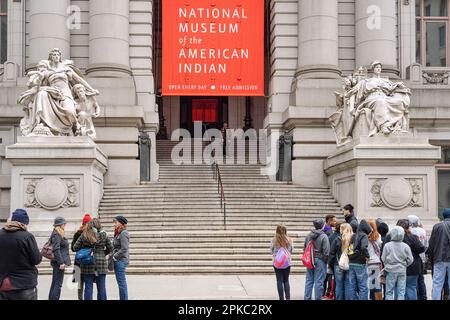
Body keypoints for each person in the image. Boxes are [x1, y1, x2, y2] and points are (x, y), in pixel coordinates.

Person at [0, 209, 42, 300]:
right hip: (24, 285)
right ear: (24, 223)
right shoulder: (27, 236)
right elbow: (36, 260)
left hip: (3, 284)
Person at [73, 218, 113, 300]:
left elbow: (75, 247)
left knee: (88, 288)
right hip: (101, 264)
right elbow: (111, 248)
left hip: (87, 263)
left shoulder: (84, 234)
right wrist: (102, 253)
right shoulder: (104, 235)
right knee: (101, 288)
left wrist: (85, 251)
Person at [381, 226, 413, 300]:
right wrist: (405, 265)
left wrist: (387, 264)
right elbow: (411, 259)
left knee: (389, 291)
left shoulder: (387, 245)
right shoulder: (405, 246)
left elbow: (383, 258)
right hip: (402, 270)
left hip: (390, 270)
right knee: (401, 291)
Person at [396, 219, 425, 300]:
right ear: (408, 228)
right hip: (413, 266)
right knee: (411, 287)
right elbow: (421, 248)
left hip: (398, 266)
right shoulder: (412, 237)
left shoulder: (393, 238)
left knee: (399, 289)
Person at [426, 208, 450, 300]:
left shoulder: (437, 226)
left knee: (437, 284)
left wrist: (431, 259)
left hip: (439, 259)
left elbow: (431, 244)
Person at [304, 219, 330, 300]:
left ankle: (307, 298)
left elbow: (305, 248)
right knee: (319, 282)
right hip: (320, 260)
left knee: (309, 280)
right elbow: (326, 252)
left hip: (310, 259)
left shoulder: (309, 235)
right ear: (322, 226)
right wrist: (325, 261)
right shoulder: (324, 236)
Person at [348, 219, 371, 300]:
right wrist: (367, 256)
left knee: (352, 286)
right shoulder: (364, 236)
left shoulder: (353, 235)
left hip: (351, 262)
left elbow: (349, 248)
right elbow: (363, 247)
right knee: (363, 286)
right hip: (360, 263)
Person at [49, 217, 71, 300]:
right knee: (58, 284)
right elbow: (56, 249)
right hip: (58, 263)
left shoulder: (58, 233)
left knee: (55, 282)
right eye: (64, 224)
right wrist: (61, 262)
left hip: (58, 262)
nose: (65, 225)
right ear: (60, 225)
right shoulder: (56, 234)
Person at [329, 223, 353, 300]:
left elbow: (332, 253)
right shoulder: (352, 239)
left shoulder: (337, 239)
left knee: (339, 286)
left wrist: (331, 264)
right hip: (349, 265)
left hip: (338, 264)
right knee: (347, 285)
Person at [71, 213, 92, 300]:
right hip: (85, 260)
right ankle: (82, 298)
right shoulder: (82, 234)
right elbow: (73, 248)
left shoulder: (79, 233)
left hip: (80, 260)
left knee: (82, 281)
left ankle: (82, 298)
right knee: (84, 281)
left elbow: (73, 248)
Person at [408, 215, 428, 300]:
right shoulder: (423, 231)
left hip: (413, 258)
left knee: (414, 280)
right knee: (421, 279)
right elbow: (426, 245)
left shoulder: (411, 232)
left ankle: (416, 296)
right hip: (422, 258)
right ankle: (423, 296)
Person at [270, 225, 293, 300]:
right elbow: (291, 250)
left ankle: (281, 298)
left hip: (277, 262)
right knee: (286, 280)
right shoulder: (289, 240)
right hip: (287, 262)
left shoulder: (274, 240)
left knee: (279, 280)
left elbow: (271, 250)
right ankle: (288, 298)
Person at [113, 215, 130, 300]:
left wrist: (114, 256)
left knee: (121, 283)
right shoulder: (118, 233)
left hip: (121, 260)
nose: (114, 224)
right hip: (119, 260)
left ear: (121, 223)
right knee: (120, 283)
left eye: (116, 222)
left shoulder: (123, 233)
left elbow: (124, 248)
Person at [367, 219, 382, 300]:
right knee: (375, 283)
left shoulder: (365, 236)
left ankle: (372, 297)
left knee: (372, 283)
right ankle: (373, 297)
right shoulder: (378, 236)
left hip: (368, 261)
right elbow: (380, 246)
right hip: (376, 261)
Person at [322, 215, 337, 299]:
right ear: (329, 221)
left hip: (325, 256)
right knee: (328, 275)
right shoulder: (328, 230)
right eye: (334, 221)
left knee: (326, 275)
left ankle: (324, 292)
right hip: (328, 256)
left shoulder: (325, 228)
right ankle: (328, 293)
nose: (335, 223)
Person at [376, 218, 389, 299]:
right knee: (386, 283)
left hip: (378, 263)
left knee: (377, 283)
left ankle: (378, 297)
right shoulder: (388, 239)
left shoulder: (377, 239)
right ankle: (386, 297)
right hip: (386, 263)